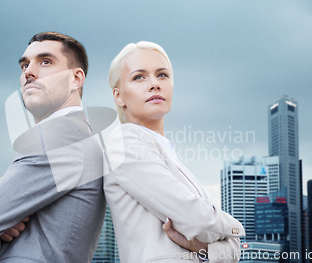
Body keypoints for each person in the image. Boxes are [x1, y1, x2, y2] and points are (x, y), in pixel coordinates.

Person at [0, 32, 106, 263]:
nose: (28, 72)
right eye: (25, 65)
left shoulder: (59, 136)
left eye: (46, 62)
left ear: (75, 79)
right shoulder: (79, 136)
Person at [103, 41, 245, 263]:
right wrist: (236, 227)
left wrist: (205, 246)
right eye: (139, 77)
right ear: (118, 96)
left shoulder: (166, 153)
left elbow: (234, 251)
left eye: (162, 75)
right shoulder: (124, 142)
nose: (154, 84)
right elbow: (198, 221)